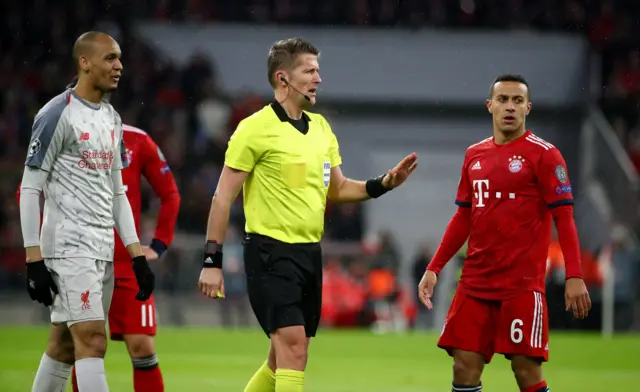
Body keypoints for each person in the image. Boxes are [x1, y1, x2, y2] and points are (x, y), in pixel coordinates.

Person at [197, 37, 418, 392]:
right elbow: (222, 198)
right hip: (269, 252)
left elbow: (339, 189)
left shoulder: (322, 129)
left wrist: (384, 183)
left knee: (282, 358)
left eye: (318, 70)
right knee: (294, 349)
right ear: (283, 78)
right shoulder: (254, 129)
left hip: (309, 254)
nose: (319, 78)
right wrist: (212, 261)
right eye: (310, 71)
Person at [417, 74, 591, 392]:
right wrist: (434, 267)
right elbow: (463, 218)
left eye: (517, 101)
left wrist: (574, 275)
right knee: (463, 366)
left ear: (528, 108)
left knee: (526, 371)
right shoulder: (474, 155)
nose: (509, 107)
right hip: (474, 283)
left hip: (521, 286)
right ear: (490, 106)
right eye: (502, 100)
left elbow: (564, 218)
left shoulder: (545, 154)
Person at [19, 31, 154, 392]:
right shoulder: (56, 113)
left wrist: (136, 252)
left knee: (63, 347)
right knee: (94, 340)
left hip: (102, 248)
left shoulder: (110, 118)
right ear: (85, 62)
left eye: (120, 58)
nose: (119, 66)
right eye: (110, 58)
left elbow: (117, 192)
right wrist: (33, 257)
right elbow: (31, 186)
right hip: (68, 247)